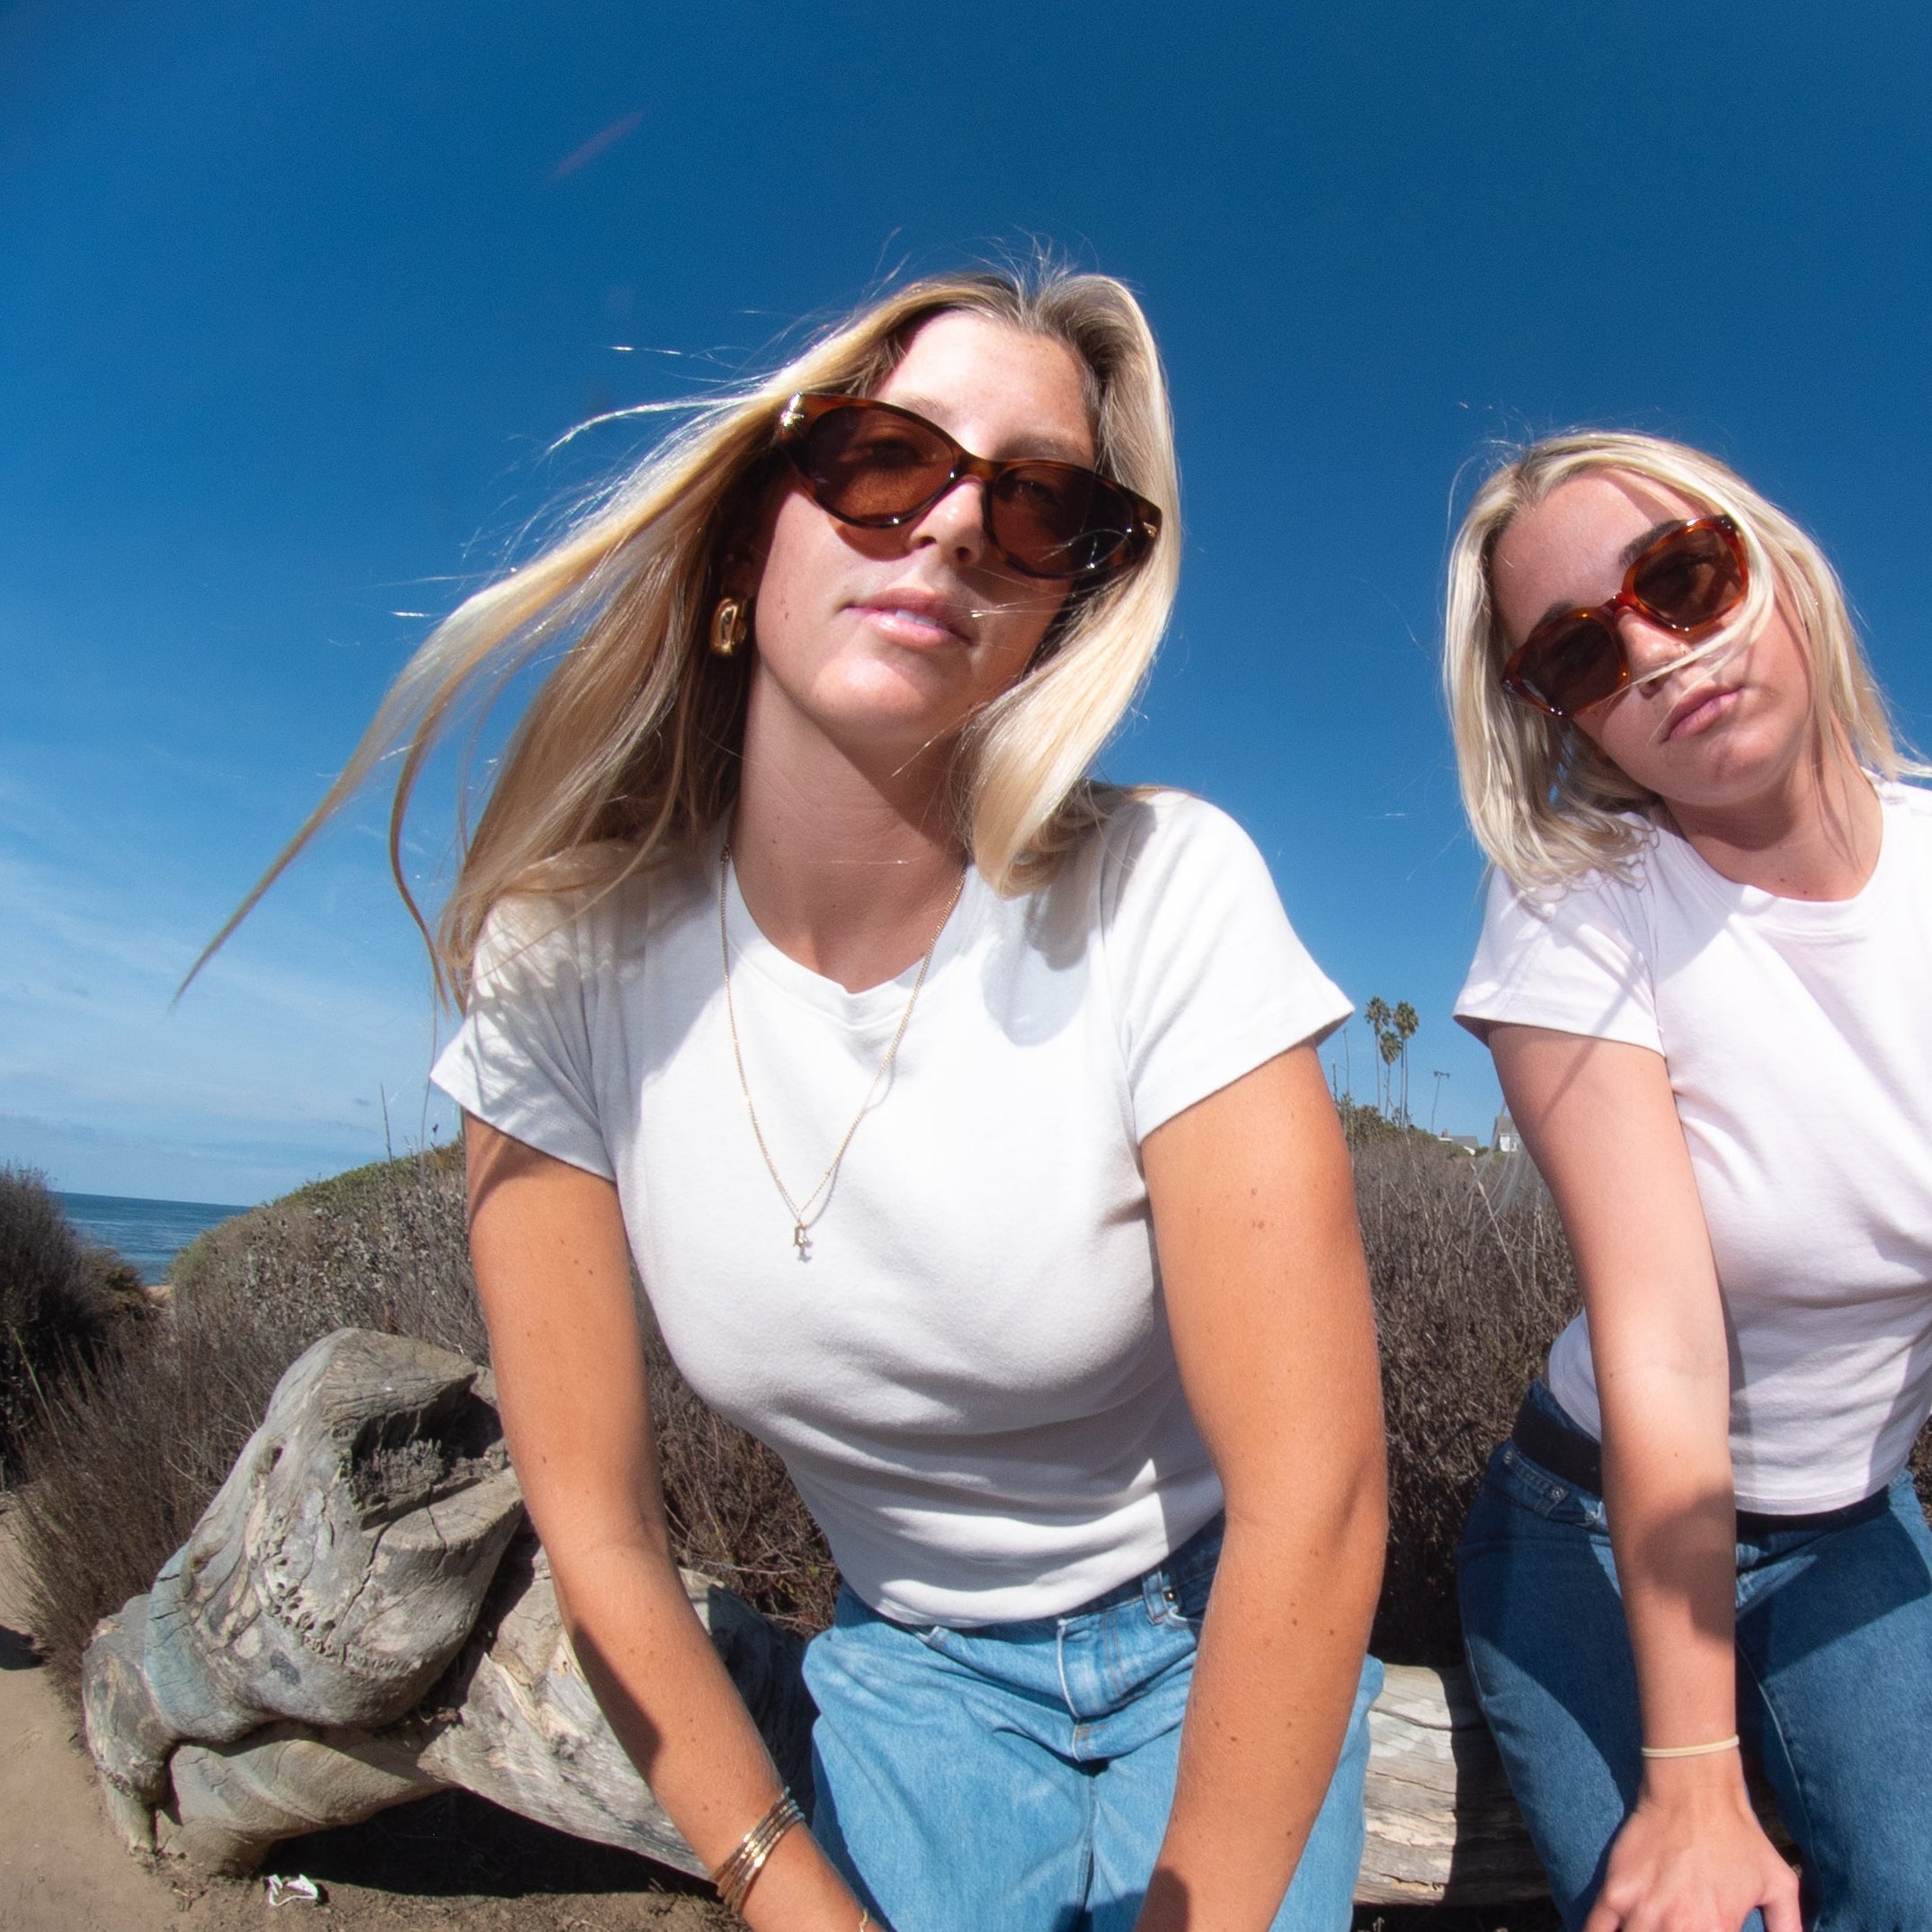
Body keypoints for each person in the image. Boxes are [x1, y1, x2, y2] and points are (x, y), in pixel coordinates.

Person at [221, 266, 1387, 1932]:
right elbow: (598, 1527)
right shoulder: (564, 965)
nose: (958, 526)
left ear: (1061, 605)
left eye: (1040, 501)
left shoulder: (1163, 890)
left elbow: (1315, 1497)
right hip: (909, 1662)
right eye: (883, 459)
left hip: (1223, 1614)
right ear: (750, 530)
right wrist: (777, 1880)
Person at [1441, 430, 1932, 1932]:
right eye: (1582, 651)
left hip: (1852, 1513)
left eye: (1682, 577)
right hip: (1591, 1519)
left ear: (1773, 567)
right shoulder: (1578, 916)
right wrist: (1692, 1776)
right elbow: (1658, 1332)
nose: (1655, 654)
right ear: (1567, 722)